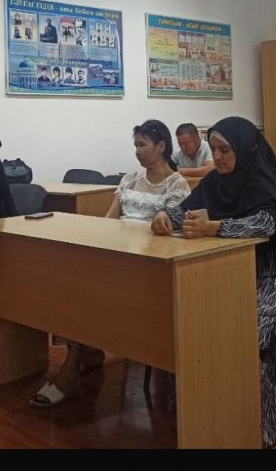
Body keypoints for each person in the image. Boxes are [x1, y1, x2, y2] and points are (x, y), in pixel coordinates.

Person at [150, 117, 276, 448]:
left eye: (225, 150)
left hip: (269, 275)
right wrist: (164, 216)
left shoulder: (260, 179)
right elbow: (186, 210)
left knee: (247, 328)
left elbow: (267, 223)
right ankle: (199, 408)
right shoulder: (215, 182)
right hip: (220, 271)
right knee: (187, 318)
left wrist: (217, 228)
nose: (217, 157)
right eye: (214, 149)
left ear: (244, 150)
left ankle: (261, 424)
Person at [30, 119, 190, 409]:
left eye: (143, 145)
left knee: (89, 291)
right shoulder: (129, 179)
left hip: (148, 265)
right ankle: (85, 351)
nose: (137, 151)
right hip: (118, 253)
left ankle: (72, 366)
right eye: (135, 145)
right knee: (72, 282)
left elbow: (170, 232)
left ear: (161, 147)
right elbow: (109, 220)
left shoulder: (177, 185)